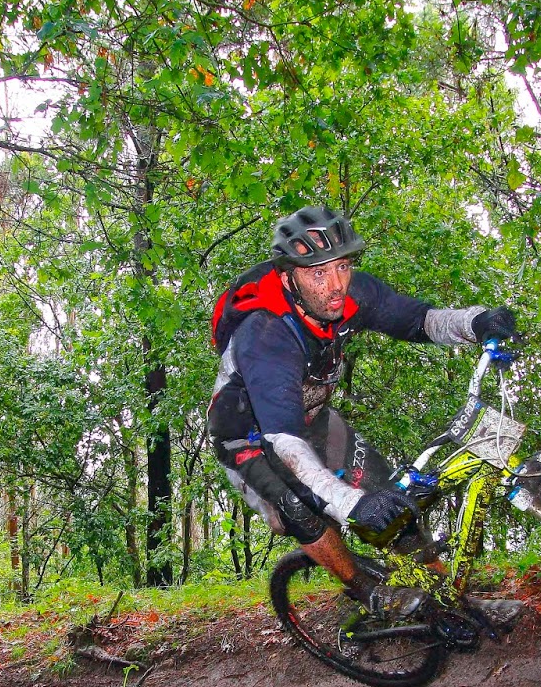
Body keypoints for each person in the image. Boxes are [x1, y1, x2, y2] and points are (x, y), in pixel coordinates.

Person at [208, 205, 517, 614]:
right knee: (299, 506)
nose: (335, 285)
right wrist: (351, 504)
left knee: (390, 497)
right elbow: (282, 439)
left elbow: (420, 320)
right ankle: (365, 591)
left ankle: (457, 603)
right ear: (289, 277)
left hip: (312, 419)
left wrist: (476, 323)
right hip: (249, 440)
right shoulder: (266, 333)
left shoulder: (351, 295)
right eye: (318, 273)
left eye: (342, 267)